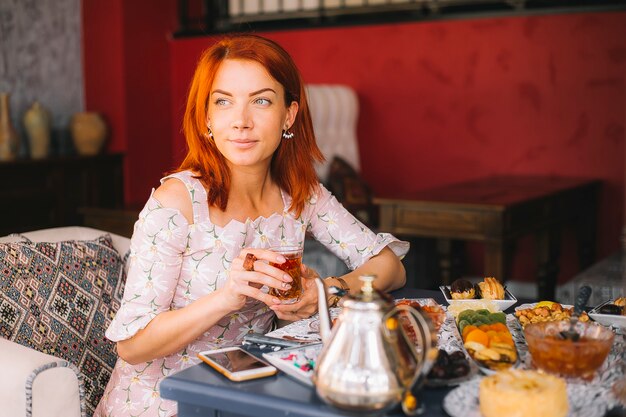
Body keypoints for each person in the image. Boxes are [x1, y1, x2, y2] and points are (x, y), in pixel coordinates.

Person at [95, 34, 409, 417]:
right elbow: (132, 345)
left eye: (261, 101)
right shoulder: (177, 202)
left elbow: (390, 267)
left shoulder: (301, 195)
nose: (241, 122)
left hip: (252, 393)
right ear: (208, 117)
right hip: (166, 400)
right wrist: (227, 297)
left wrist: (325, 290)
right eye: (223, 102)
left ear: (288, 115)